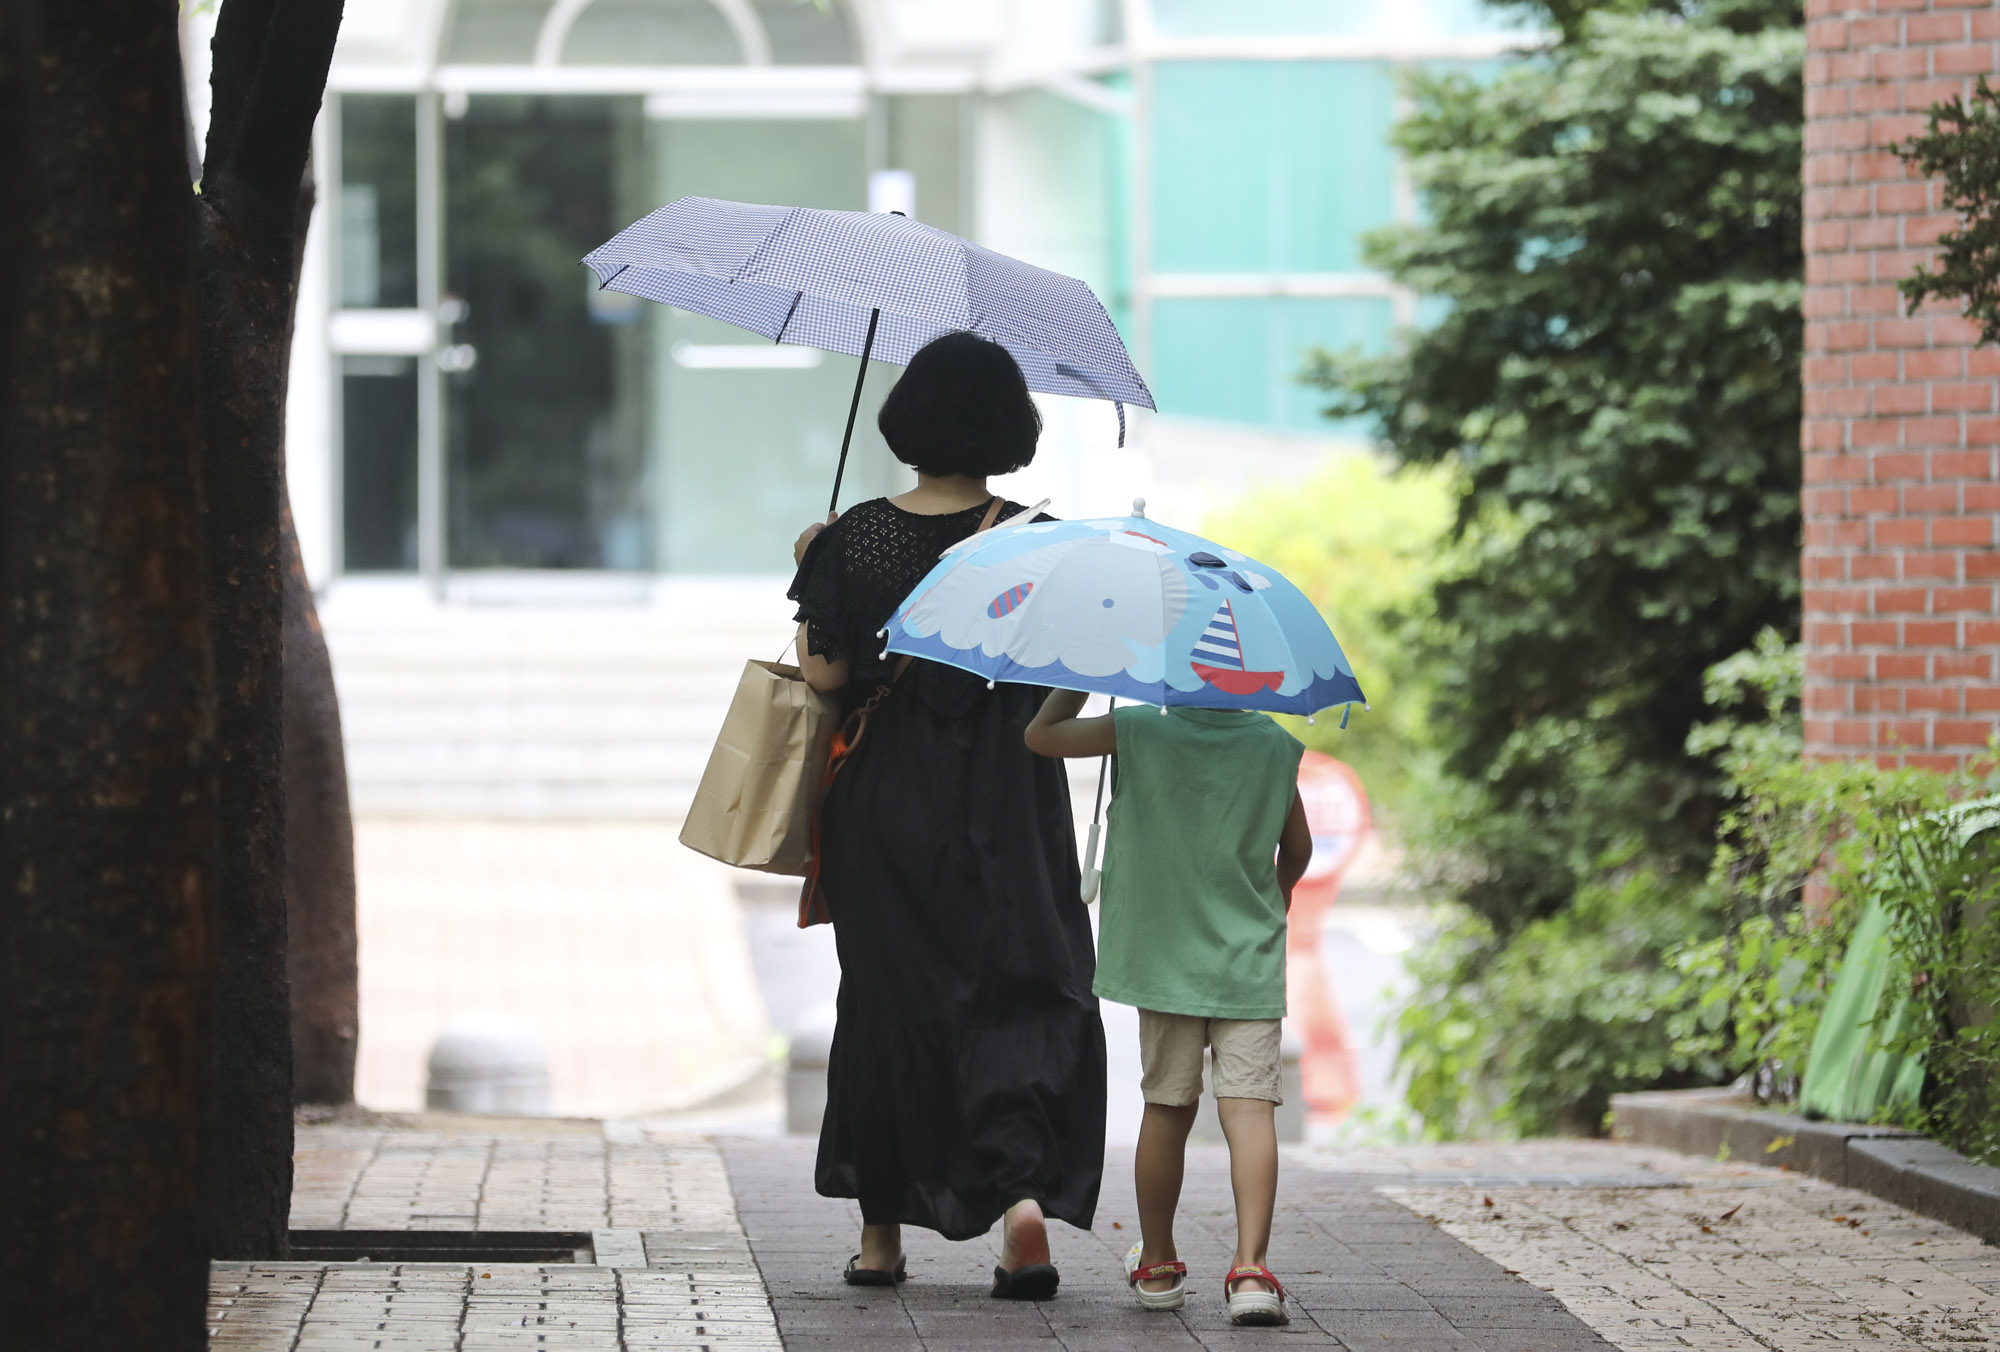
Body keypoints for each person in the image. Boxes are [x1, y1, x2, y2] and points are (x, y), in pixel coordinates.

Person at [787, 331, 1106, 1301]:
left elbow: (824, 677)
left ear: (908, 421)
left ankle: (881, 1236)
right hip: (1009, 799)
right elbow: (1074, 675)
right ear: (1010, 425)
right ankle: (1019, 1200)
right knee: (1019, 989)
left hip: (886, 800)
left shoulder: (851, 538)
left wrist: (812, 566)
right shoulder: (1040, 542)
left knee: (887, 1001)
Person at [1025, 689, 1311, 1326]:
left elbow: (1040, 737)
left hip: (1163, 961)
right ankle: (1251, 1272)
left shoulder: (1136, 730)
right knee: (1250, 1110)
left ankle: (1156, 1263)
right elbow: (1297, 849)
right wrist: (1274, 902)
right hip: (1247, 959)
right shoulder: (1273, 744)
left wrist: (1078, 678)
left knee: (1167, 1107)